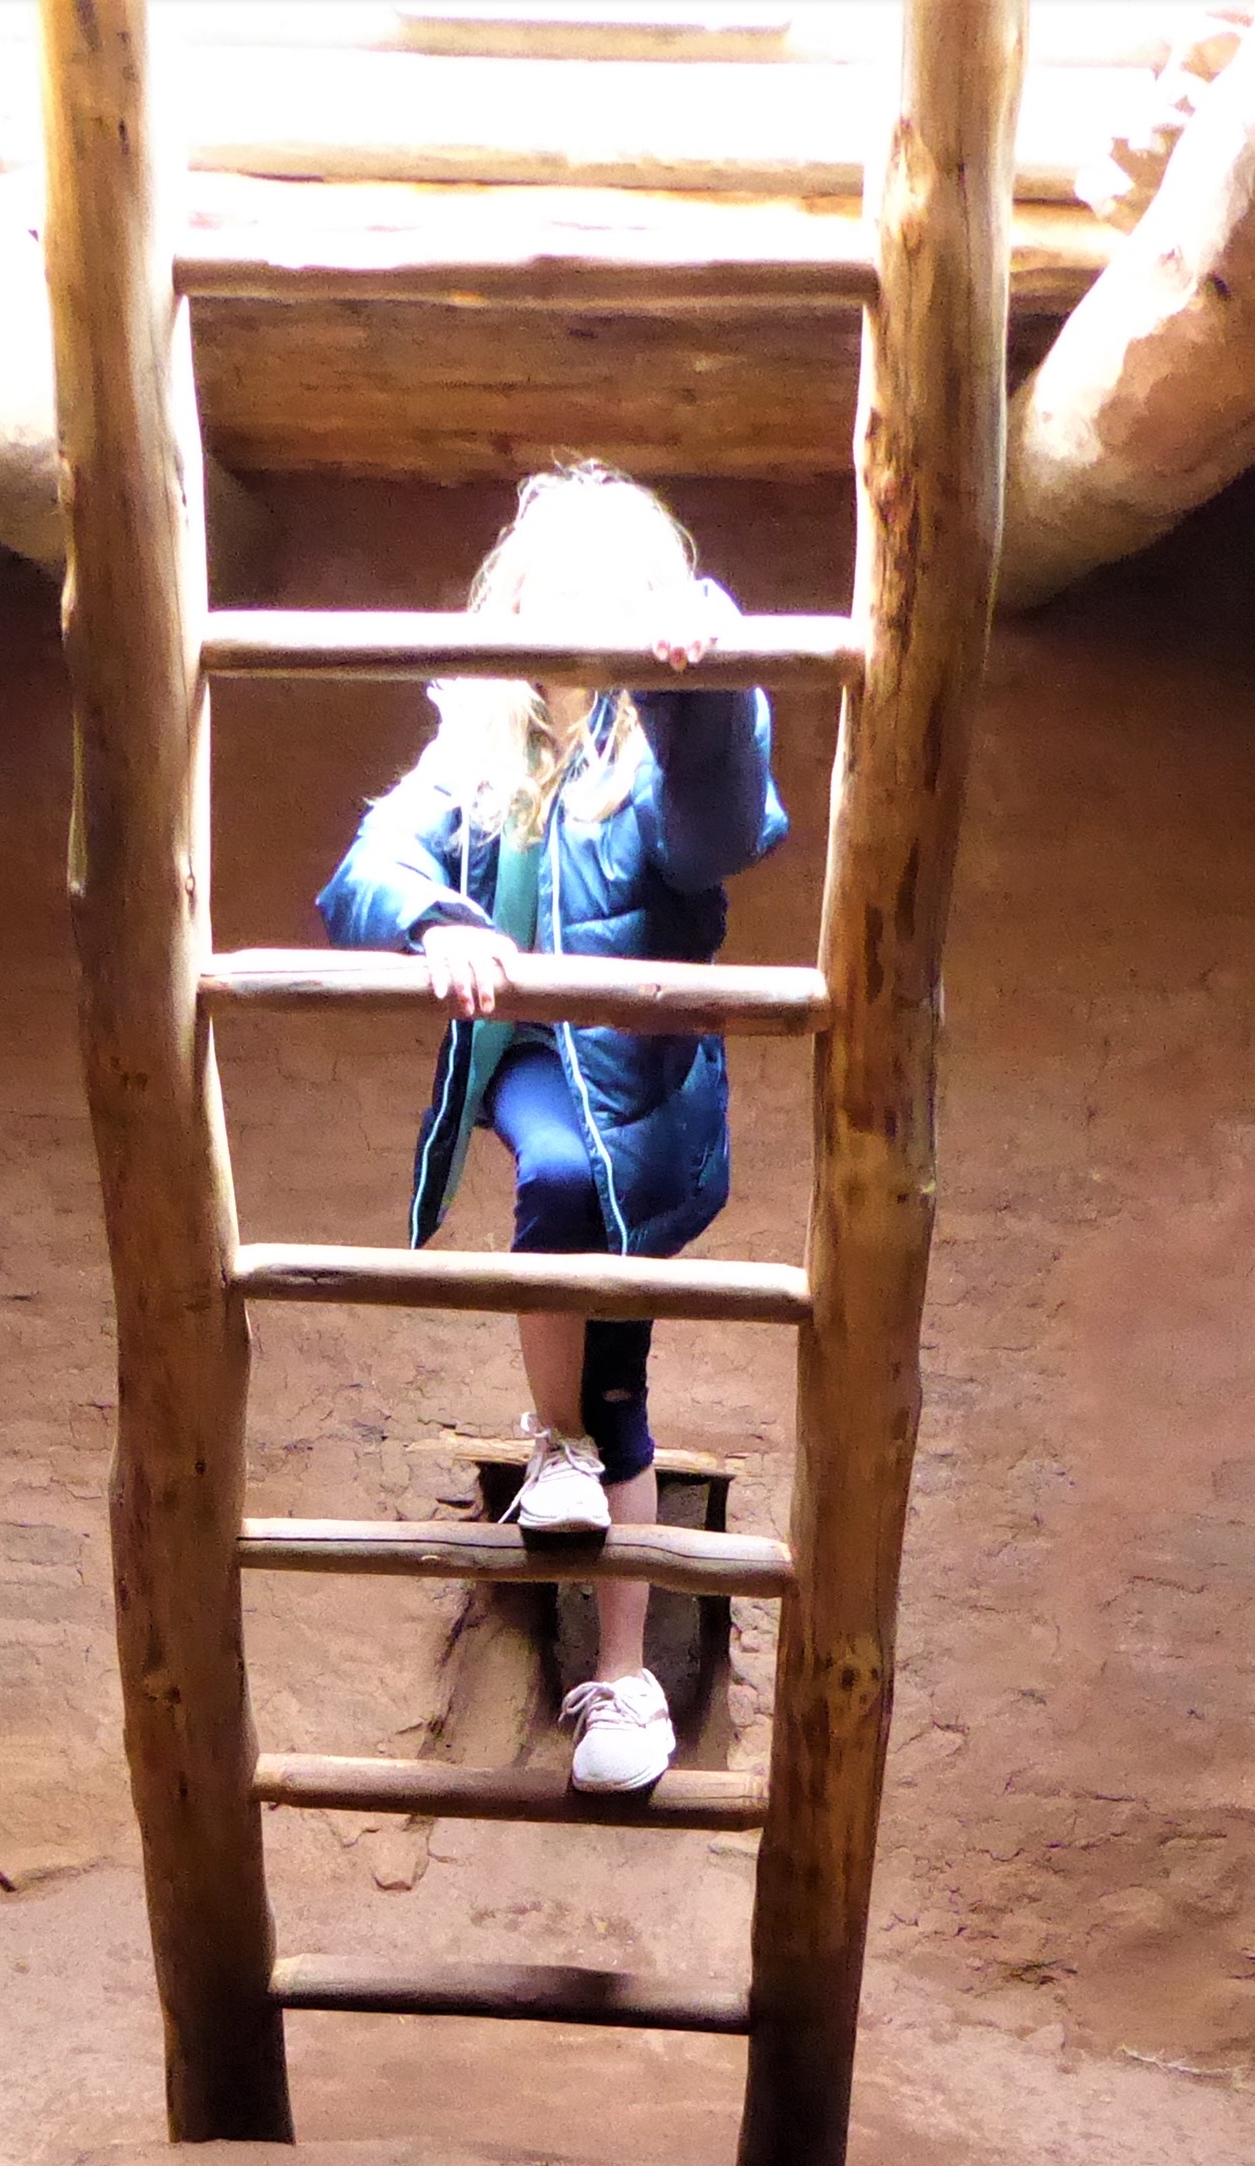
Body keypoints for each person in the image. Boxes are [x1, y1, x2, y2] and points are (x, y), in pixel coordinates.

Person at [313, 463, 790, 1797]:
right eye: (553, 595)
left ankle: (621, 1671)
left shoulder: (651, 755)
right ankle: (555, 1438)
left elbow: (718, 827)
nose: (577, 623)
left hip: (643, 1098)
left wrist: (705, 678)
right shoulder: (479, 756)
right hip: (532, 1066)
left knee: (625, 1384)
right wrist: (434, 916)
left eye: (613, 596)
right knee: (561, 1182)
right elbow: (369, 863)